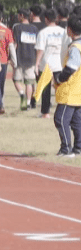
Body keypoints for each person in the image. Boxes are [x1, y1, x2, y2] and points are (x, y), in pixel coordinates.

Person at [52, 16, 81, 156]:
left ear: (69, 30)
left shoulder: (75, 47)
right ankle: (78, 148)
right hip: (78, 90)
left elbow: (71, 68)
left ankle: (66, 149)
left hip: (70, 90)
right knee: (76, 122)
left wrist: (59, 79)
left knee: (60, 119)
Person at [35, 9, 66, 119]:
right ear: (56, 18)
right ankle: (64, 110)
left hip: (46, 64)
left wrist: (36, 64)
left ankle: (45, 113)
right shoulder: (63, 31)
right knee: (61, 87)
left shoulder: (43, 32)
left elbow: (40, 50)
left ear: (46, 19)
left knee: (45, 89)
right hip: (60, 64)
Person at [12, 10, 38, 111]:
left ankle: (22, 94)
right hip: (31, 57)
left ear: (22, 16)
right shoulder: (34, 28)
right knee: (29, 81)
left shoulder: (16, 27)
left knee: (16, 80)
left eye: (18, 15)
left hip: (19, 57)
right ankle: (27, 103)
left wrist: (11, 57)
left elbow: (15, 44)